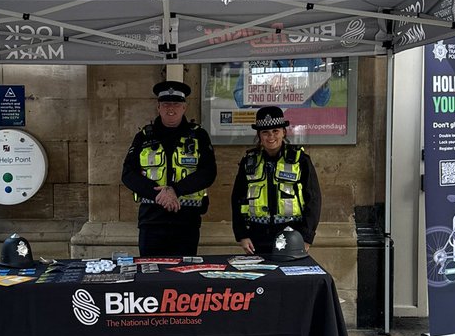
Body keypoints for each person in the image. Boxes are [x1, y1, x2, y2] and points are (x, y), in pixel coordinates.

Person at [121, 79, 217, 257]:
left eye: (176, 104)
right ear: (158, 107)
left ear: (184, 107)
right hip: (152, 221)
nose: (170, 108)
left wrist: (175, 190)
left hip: (186, 221)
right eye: (165, 104)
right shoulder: (143, 137)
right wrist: (158, 194)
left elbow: (208, 172)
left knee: (184, 278)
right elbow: (128, 174)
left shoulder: (199, 136)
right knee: (151, 276)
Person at [231, 106, 321, 257]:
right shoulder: (249, 161)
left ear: (284, 132)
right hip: (257, 236)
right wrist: (242, 235)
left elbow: (313, 200)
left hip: (291, 235)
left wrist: (306, 237)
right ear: (259, 135)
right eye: (265, 132)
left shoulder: (300, 160)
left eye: (275, 131)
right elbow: (237, 199)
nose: (270, 136)